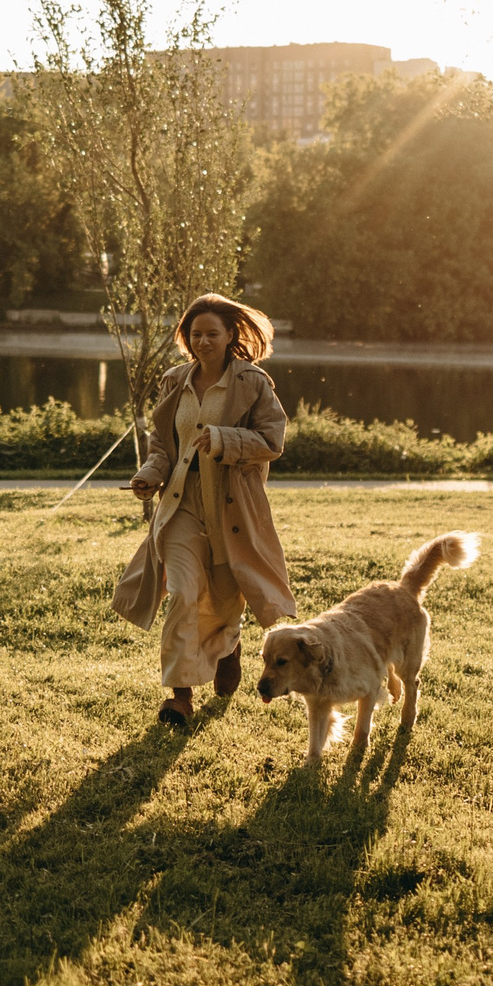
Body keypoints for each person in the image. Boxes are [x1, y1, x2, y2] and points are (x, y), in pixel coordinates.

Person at [114, 293, 297, 727]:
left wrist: (222, 439)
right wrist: (148, 475)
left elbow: (273, 442)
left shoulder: (253, 383)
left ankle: (228, 644)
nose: (203, 342)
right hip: (179, 506)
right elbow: (164, 445)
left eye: (212, 334)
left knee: (221, 595)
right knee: (182, 591)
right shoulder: (174, 380)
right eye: (195, 334)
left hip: (231, 510)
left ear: (231, 335)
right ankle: (180, 697)